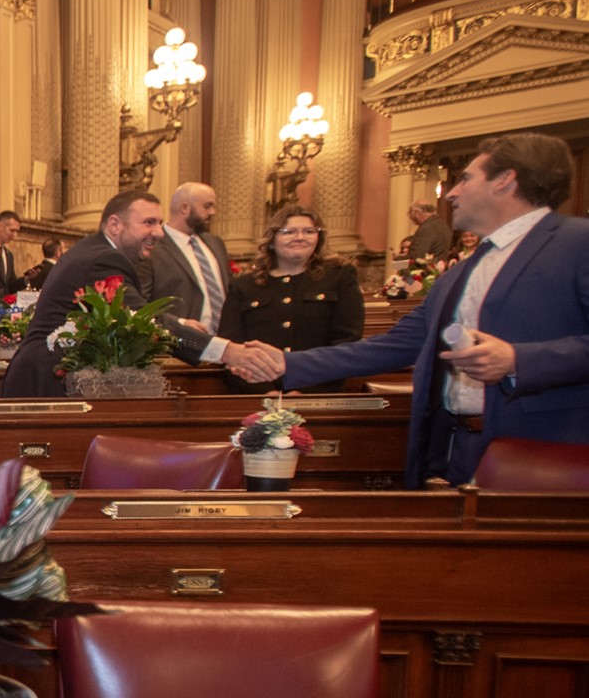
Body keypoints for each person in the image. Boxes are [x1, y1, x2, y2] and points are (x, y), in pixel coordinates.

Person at [229, 133, 589, 486]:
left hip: (544, 452)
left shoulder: (577, 244)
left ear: (505, 181)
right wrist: (287, 364)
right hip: (453, 446)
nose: (451, 192)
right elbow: (399, 344)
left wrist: (518, 360)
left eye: (465, 179)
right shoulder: (463, 270)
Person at [3, 190, 170, 398]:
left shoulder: (94, 249)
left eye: (160, 223)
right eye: (149, 222)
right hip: (47, 381)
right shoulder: (104, 258)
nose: (159, 232)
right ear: (115, 225)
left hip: (46, 376)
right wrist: (213, 347)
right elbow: (142, 318)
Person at [217, 205, 365, 395]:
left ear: (319, 238)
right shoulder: (244, 286)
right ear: (271, 240)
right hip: (256, 396)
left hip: (320, 394)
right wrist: (263, 391)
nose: (300, 237)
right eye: (289, 232)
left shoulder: (339, 277)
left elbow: (347, 342)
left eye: (309, 231)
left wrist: (307, 391)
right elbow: (231, 347)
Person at [143, 182, 234, 363]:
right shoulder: (152, 248)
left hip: (224, 353)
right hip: (177, 355)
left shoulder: (215, 243)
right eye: (207, 206)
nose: (213, 212)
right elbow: (142, 306)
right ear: (185, 208)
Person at [407, 199, 455, 264]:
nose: (410, 217)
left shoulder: (427, 228)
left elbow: (419, 256)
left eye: (409, 213)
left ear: (417, 212)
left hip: (427, 270)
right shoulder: (442, 224)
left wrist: (398, 259)